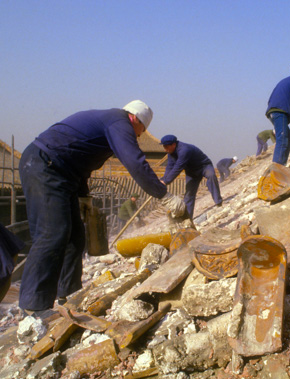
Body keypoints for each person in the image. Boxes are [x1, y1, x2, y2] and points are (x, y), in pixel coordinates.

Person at [18, 100, 185, 313]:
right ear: (134, 118)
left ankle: (68, 297)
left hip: (63, 173)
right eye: (140, 131)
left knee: (75, 238)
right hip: (43, 166)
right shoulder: (119, 122)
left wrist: (83, 195)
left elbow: (78, 158)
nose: (139, 136)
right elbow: (135, 163)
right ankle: (33, 307)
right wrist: (165, 195)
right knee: (52, 234)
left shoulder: (111, 122)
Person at [160, 134, 223, 218]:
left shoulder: (184, 150)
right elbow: (170, 167)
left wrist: (166, 181)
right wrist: (163, 179)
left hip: (204, 166)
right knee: (189, 194)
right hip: (191, 172)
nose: (165, 150)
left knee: (211, 176)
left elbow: (178, 167)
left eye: (166, 147)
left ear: (173, 144)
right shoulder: (170, 153)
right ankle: (188, 217)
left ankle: (218, 201)